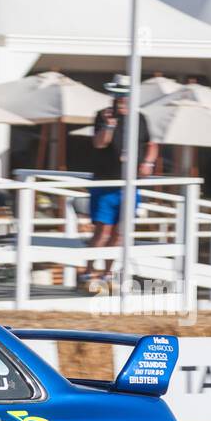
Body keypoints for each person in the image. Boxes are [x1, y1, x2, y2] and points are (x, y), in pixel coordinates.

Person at [84, 74, 159, 288]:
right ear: (113, 95)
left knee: (119, 232)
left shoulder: (140, 118)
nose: (122, 98)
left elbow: (151, 144)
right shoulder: (103, 115)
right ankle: (89, 271)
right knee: (102, 230)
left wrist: (148, 163)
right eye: (119, 94)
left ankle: (107, 273)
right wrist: (108, 126)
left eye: (126, 94)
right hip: (106, 183)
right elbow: (99, 144)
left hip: (130, 184)